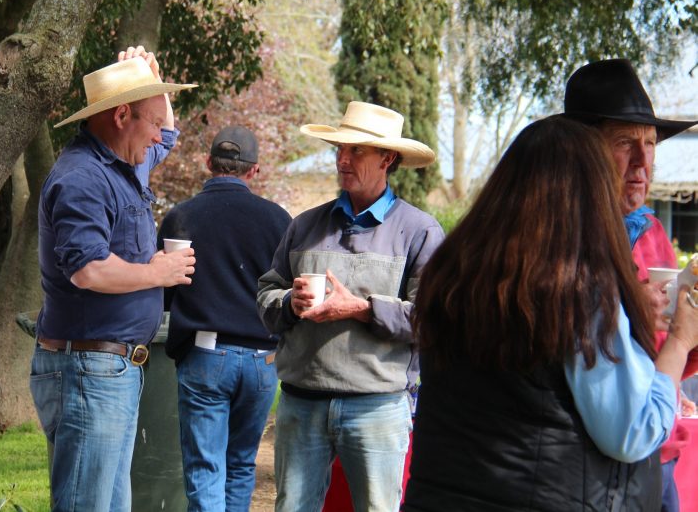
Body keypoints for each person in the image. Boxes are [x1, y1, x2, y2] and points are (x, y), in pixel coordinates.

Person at [403, 115, 698, 512]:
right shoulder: (578, 290)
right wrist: (679, 342)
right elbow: (633, 431)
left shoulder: (454, 275)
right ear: (590, 194)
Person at [30, 49, 197, 512]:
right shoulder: (83, 178)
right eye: (151, 121)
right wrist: (156, 273)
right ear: (121, 114)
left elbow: (170, 135)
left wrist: (156, 82)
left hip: (109, 370)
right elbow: (87, 269)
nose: (159, 136)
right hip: (88, 371)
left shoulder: (126, 160)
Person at [256, 101, 444, 512]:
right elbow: (266, 297)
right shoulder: (303, 225)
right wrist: (290, 302)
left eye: (357, 150)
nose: (343, 158)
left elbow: (433, 322)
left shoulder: (420, 232)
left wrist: (360, 308)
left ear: (388, 158)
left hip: (378, 407)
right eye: (339, 149)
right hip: (300, 402)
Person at [564, 58, 698, 511]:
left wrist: (690, 331)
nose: (643, 162)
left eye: (650, 143)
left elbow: (668, 349)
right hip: (598, 459)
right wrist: (621, 308)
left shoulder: (654, 233)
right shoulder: (557, 238)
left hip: (660, 451)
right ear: (585, 150)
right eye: (625, 143)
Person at [158, 125, 292, 512]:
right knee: (240, 465)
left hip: (205, 356)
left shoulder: (180, 218)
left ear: (207, 163)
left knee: (205, 468)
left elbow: (165, 291)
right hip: (262, 360)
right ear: (255, 171)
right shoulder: (278, 220)